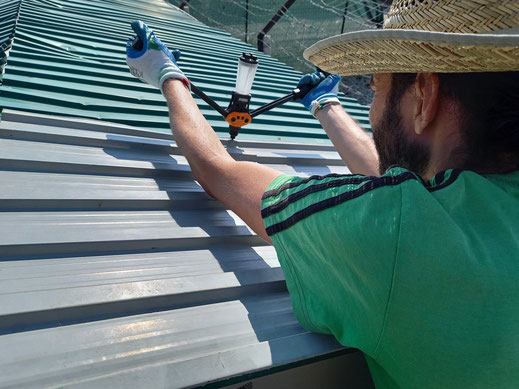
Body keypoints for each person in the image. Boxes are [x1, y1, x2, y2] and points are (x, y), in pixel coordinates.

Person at [126, 0, 519, 387]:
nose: (370, 106)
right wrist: (326, 105)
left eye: (376, 85)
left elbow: (220, 171)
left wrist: (166, 74)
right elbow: (411, 185)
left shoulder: (400, 233)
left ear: (425, 94)